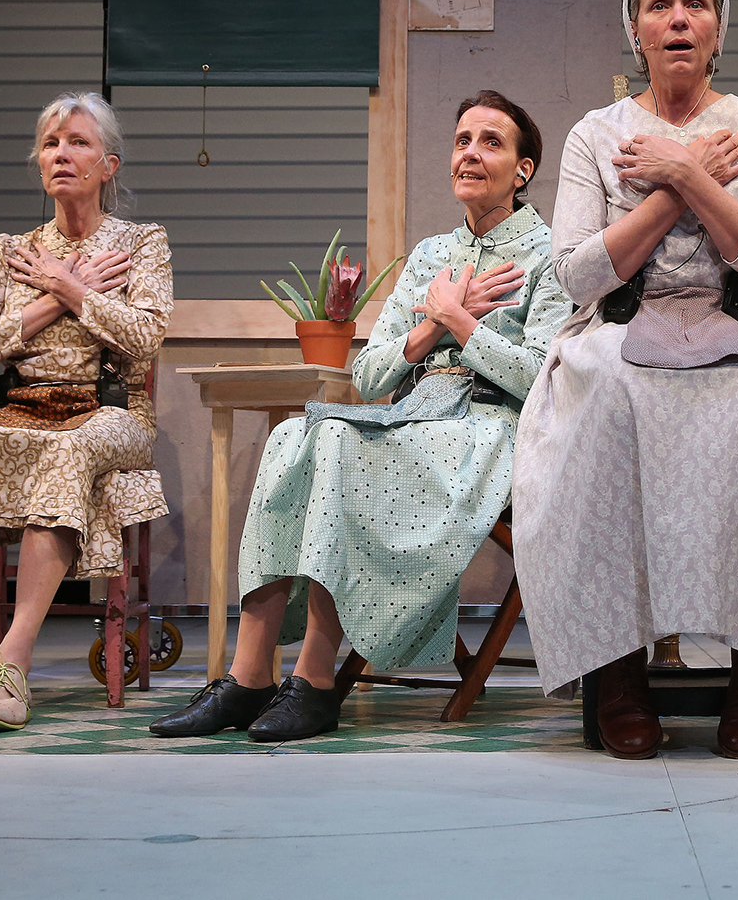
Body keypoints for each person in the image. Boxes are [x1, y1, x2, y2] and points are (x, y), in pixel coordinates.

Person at [513, 0, 738, 760]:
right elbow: (576, 275)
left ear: (718, 27)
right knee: (599, 388)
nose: (678, 18)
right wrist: (679, 180)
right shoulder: (596, 133)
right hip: (625, 327)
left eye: (695, 4)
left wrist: (686, 172)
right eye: (659, 4)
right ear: (635, 29)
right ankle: (620, 670)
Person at [150, 90, 573, 742]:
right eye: (462, 139)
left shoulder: (552, 254)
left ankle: (316, 679)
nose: (470, 152)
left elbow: (541, 374)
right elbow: (371, 373)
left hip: (496, 427)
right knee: (295, 435)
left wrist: (461, 321)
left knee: (347, 452)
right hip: (416, 414)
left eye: (491, 141)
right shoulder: (430, 254)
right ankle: (249, 674)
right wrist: (434, 322)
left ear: (523, 169)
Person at [0, 91, 172, 732]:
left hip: (109, 413)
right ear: (38, 163)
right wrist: (51, 299)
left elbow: (143, 340)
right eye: (52, 143)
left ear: (108, 165)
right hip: (21, 407)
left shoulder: (142, 245)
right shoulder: (12, 251)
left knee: (68, 450)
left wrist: (73, 286)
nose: (62, 153)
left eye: (78, 142)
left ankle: (13, 663)